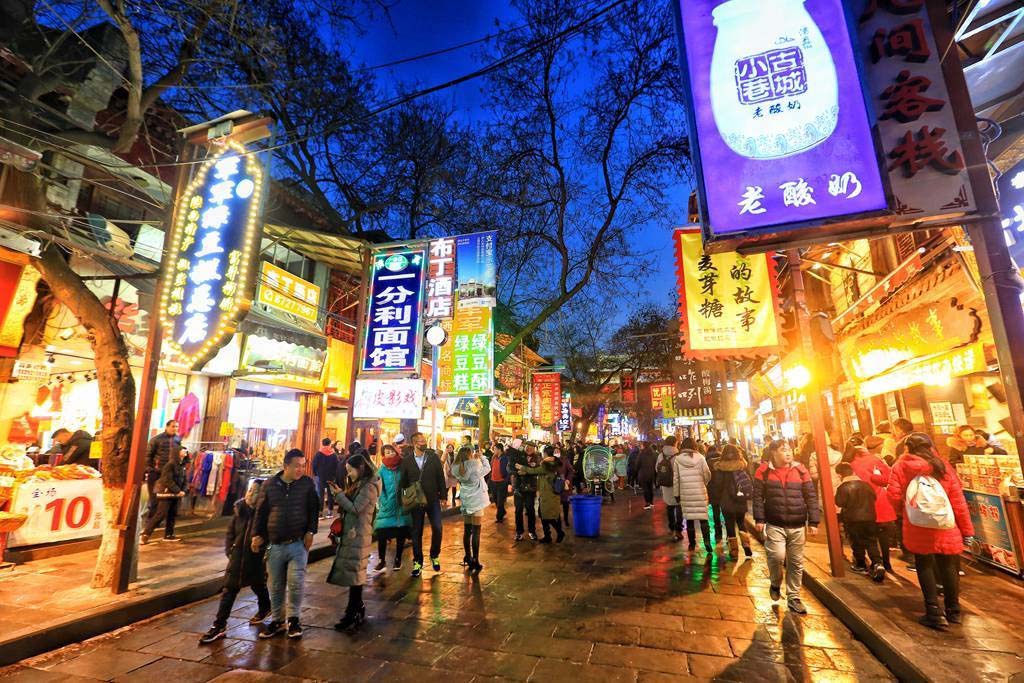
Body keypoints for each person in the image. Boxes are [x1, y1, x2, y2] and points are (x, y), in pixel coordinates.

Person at [887, 434, 974, 630]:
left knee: (924, 564)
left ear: (907, 448)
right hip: (946, 523)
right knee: (949, 565)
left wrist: (907, 511)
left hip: (917, 524)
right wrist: (967, 530)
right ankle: (954, 610)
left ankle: (934, 612)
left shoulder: (901, 466)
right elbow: (958, 501)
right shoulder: (942, 466)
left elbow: (892, 495)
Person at [252, 449, 319, 639]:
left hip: (297, 543)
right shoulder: (270, 485)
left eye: (303, 465)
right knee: (275, 584)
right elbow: (261, 511)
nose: (300, 469)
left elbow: (314, 509)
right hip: (275, 544)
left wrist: (311, 531)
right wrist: (257, 534)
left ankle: (294, 619)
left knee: (296, 583)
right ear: (286, 466)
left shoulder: (306, 484)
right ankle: (277, 620)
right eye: (296, 465)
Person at [200, 479, 270, 644]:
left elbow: (269, 533)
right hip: (237, 556)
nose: (251, 494)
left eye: (256, 492)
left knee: (258, 584)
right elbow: (230, 533)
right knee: (229, 589)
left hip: (255, 557)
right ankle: (219, 625)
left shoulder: (264, 514)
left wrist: (263, 546)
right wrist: (230, 551)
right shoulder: (240, 510)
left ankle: (266, 607)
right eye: (250, 490)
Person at [753, 439, 819, 615]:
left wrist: (813, 521)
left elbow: (811, 496)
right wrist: (759, 519)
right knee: (776, 556)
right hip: (775, 522)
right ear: (773, 452)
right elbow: (758, 497)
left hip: (797, 523)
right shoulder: (764, 471)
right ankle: (775, 583)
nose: (788, 453)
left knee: (796, 562)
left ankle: (794, 597)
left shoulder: (800, 470)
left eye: (789, 449)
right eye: (783, 450)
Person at [327, 452, 380, 632]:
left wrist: (339, 495)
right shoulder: (361, 483)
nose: (348, 474)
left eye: (350, 471)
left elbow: (356, 508)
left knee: (355, 575)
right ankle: (355, 610)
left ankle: (353, 613)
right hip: (354, 534)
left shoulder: (369, 486)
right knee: (354, 575)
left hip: (358, 534)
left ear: (361, 469)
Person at [400, 432, 447, 576]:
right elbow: (403, 482)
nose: (424, 443)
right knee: (416, 532)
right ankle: (418, 561)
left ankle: (434, 555)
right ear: (415, 443)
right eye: (421, 441)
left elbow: (440, 476)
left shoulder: (433, 458)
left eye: (424, 440)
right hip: (416, 501)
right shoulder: (407, 461)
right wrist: (403, 499)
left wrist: (443, 496)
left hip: (432, 499)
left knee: (438, 527)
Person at [848, 443, 896, 572]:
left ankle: (866, 562)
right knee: (883, 535)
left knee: (864, 536)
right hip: (881, 503)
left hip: (861, 506)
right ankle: (886, 563)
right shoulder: (875, 460)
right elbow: (888, 478)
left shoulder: (851, 465)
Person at [834, 462, 885, 582]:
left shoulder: (843, 487)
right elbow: (874, 498)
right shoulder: (866, 485)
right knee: (871, 541)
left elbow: (839, 502)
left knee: (856, 542)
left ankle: (860, 564)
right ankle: (877, 563)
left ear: (840, 475)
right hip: (870, 517)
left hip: (853, 519)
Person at [709, 444, 753, 560]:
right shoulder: (742, 465)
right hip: (740, 498)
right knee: (741, 522)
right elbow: (748, 481)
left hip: (726, 499)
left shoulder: (720, 467)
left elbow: (717, 485)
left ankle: (734, 550)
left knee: (729, 524)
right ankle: (746, 545)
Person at [452, 445, 490, 573]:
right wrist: (482, 457)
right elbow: (487, 468)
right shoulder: (475, 465)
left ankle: (467, 556)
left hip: (466, 499)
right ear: (469, 454)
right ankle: (475, 559)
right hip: (477, 500)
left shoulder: (456, 467)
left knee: (467, 530)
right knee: (476, 531)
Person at [373, 444, 411, 572]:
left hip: (402, 507)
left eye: (391, 451)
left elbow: (408, 483)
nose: (390, 454)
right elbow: (379, 488)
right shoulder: (382, 470)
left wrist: (406, 499)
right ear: (383, 455)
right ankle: (381, 560)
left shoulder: (403, 466)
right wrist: (384, 501)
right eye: (387, 452)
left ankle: (398, 559)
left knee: (401, 534)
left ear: (396, 452)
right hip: (387, 507)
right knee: (382, 533)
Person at [518, 445, 566, 543]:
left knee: (548, 516)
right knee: (543, 514)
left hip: (548, 493)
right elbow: (539, 472)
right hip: (547, 493)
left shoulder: (547, 464)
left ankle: (560, 532)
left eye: (544, 453)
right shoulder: (553, 462)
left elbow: (534, 470)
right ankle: (547, 536)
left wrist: (522, 467)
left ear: (546, 454)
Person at [673, 437, 713, 553]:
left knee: (689, 519)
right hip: (700, 491)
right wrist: (703, 483)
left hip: (686, 493)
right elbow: (707, 475)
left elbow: (676, 479)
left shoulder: (678, 459)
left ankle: (692, 543)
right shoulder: (700, 458)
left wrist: (677, 494)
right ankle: (707, 542)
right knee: (703, 519)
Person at [140, 447, 186, 544]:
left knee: (172, 514)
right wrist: (177, 490)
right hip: (166, 492)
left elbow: (183, 479)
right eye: (183, 449)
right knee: (161, 514)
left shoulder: (181, 465)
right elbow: (166, 479)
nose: (185, 451)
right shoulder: (170, 465)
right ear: (177, 452)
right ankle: (145, 534)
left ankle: (168, 535)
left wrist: (183, 490)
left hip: (175, 493)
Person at [144, 421, 181, 518]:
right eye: (173, 426)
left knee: (168, 497)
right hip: (157, 472)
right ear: (167, 426)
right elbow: (148, 455)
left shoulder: (177, 439)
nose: (175, 428)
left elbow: (179, 455)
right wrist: (150, 469)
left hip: (170, 473)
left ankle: (162, 519)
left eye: (177, 427)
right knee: (154, 497)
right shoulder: (156, 439)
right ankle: (151, 519)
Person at [509, 439, 540, 541]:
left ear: (534, 449)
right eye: (527, 447)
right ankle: (519, 532)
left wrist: (527, 472)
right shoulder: (517, 455)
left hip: (530, 488)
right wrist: (517, 472)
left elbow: (538, 471)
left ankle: (532, 531)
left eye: (531, 447)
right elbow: (508, 468)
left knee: (530, 509)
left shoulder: (537, 458)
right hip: (518, 487)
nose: (529, 449)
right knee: (518, 510)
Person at [656, 436, 682, 540]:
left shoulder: (661, 455)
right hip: (677, 484)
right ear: (675, 443)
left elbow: (656, 468)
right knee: (679, 507)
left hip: (666, 485)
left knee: (669, 506)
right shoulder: (679, 456)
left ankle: (671, 526)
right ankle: (678, 529)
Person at [313, 437, 340, 517]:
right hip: (330, 477)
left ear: (322, 443)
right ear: (330, 444)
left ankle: (320, 512)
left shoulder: (318, 454)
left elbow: (314, 465)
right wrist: (335, 475)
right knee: (330, 494)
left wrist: (316, 474)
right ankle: (330, 511)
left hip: (320, 476)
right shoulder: (333, 454)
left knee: (320, 494)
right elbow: (337, 466)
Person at [489, 442, 510, 523]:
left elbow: (507, 470)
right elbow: (491, 467)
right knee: (496, 499)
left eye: (494, 449)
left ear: (499, 449)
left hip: (502, 482)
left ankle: (499, 517)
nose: (493, 450)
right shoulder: (494, 457)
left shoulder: (505, 458)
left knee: (500, 501)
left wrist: (506, 480)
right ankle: (503, 512)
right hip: (493, 481)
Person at [637, 442, 658, 510]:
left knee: (645, 489)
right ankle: (651, 502)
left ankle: (647, 503)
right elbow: (656, 464)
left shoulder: (641, 454)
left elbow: (637, 464)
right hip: (651, 474)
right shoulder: (654, 454)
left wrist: (637, 471)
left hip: (643, 474)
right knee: (650, 488)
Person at [558, 445, 575, 525]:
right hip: (554, 486)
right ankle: (557, 519)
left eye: (557, 451)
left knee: (565, 504)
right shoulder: (549, 461)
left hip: (564, 485)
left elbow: (571, 471)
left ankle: (565, 519)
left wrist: (568, 480)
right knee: (555, 504)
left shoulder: (565, 460)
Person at [442, 443, 459, 508]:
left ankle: (453, 499)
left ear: (453, 448)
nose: (449, 449)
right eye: (448, 448)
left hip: (454, 473)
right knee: (447, 487)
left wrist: (455, 472)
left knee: (454, 487)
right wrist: (447, 472)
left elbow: (458, 464)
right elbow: (443, 463)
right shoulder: (445, 454)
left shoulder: (456, 455)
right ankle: (445, 499)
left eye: (450, 448)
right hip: (447, 472)